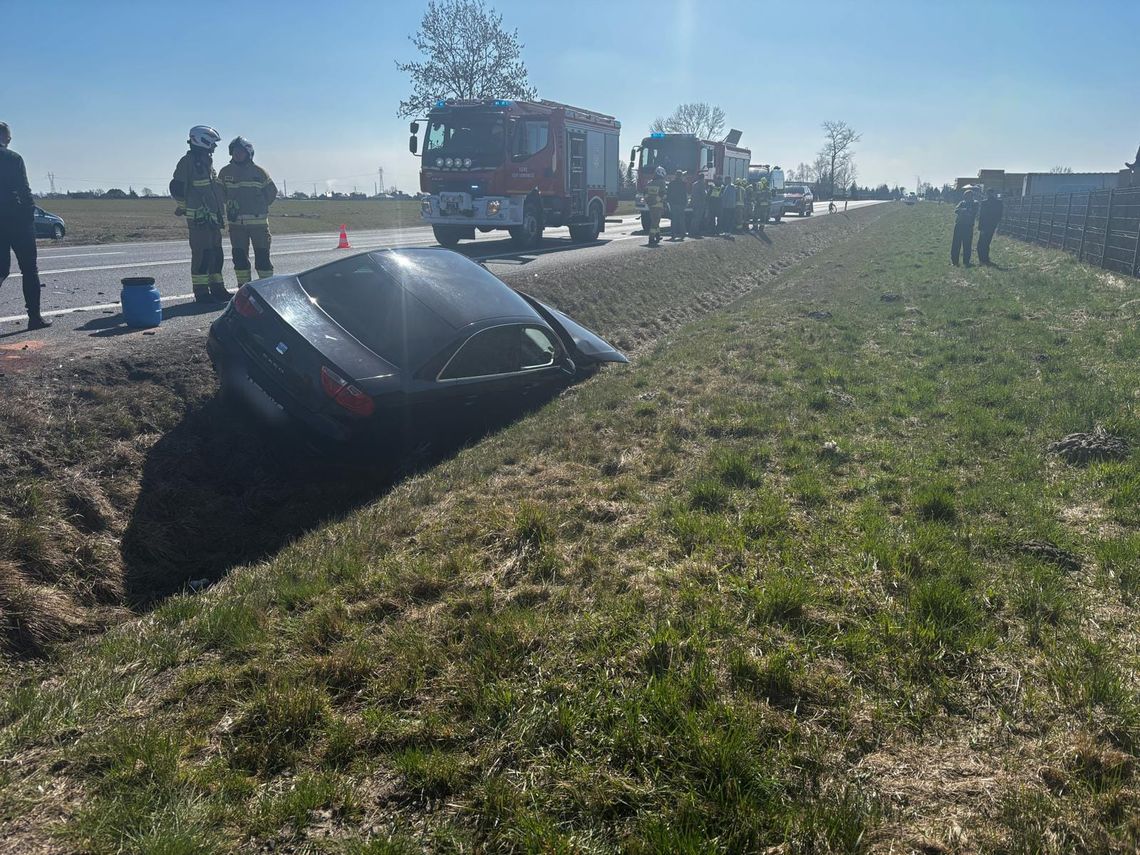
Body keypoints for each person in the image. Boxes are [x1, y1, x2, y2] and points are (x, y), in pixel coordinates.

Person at [170, 125, 229, 302]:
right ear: (203, 141)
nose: (215, 147)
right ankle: (202, 292)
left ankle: (218, 288)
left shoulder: (206, 161)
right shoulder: (187, 162)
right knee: (202, 255)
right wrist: (185, 207)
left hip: (212, 219)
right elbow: (177, 187)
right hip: (199, 220)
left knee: (216, 254)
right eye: (212, 143)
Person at [0, 122, 50, 330]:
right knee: (29, 269)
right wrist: (30, 215)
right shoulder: (13, 158)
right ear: (7, 138)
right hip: (17, 219)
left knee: (1, 270)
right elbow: (24, 189)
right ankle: (35, 317)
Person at [219, 136, 278, 286]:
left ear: (248, 153)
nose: (237, 154)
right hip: (236, 225)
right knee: (239, 257)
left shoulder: (259, 172)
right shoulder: (225, 172)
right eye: (234, 152)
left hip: (259, 225)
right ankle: (243, 288)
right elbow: (220, 193)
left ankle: (266, 287)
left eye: (240, 152)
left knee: (262, 256)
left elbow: (271, 193)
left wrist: (258, 206)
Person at [951, 187, 979, 266]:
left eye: (969, 195)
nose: (967, 197)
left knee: (967, 244)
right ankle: (954, 261)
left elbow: (973, 212)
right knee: (956, 243)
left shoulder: (975, 203)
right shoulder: (962, 202)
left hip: (968, 226)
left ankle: (966, 261)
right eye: (966, 195)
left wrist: (963, 211)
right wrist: (965, 210)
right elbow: (956, 210)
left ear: (972, 196)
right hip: (959, 225)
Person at [976, 188, 1003, 266]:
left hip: (985, 225)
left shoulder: (985, 202)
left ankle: (982, 259)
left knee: (981, 243)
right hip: (992, 226)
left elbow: (982, 215)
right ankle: (985, 259)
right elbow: (999, 216)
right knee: (986, 243)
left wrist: (980, 227)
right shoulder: (999, 203)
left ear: (987, 194)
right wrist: (996, 224)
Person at [645, 166, 666, 247]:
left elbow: (645, 194)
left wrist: (649, 202)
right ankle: (651, 238)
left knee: (655, 221)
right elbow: (662, 194)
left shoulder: (649, 183)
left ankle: (658, 236)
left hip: (650, 206)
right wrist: (656, 201)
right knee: (655, 222)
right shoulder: (662, 182)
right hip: (657, 205)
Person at [667, 169, 688, 241]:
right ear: (681, 176)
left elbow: (668, 194)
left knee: (674, 219)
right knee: (681, 219)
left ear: (676, 175)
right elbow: (685, 194)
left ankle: (673, 234)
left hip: (673, 204)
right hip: (681, 204)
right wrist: (686, 203)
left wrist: (669, 202)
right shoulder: (683, 184)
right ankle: (683, 234)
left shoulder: (671, 183)